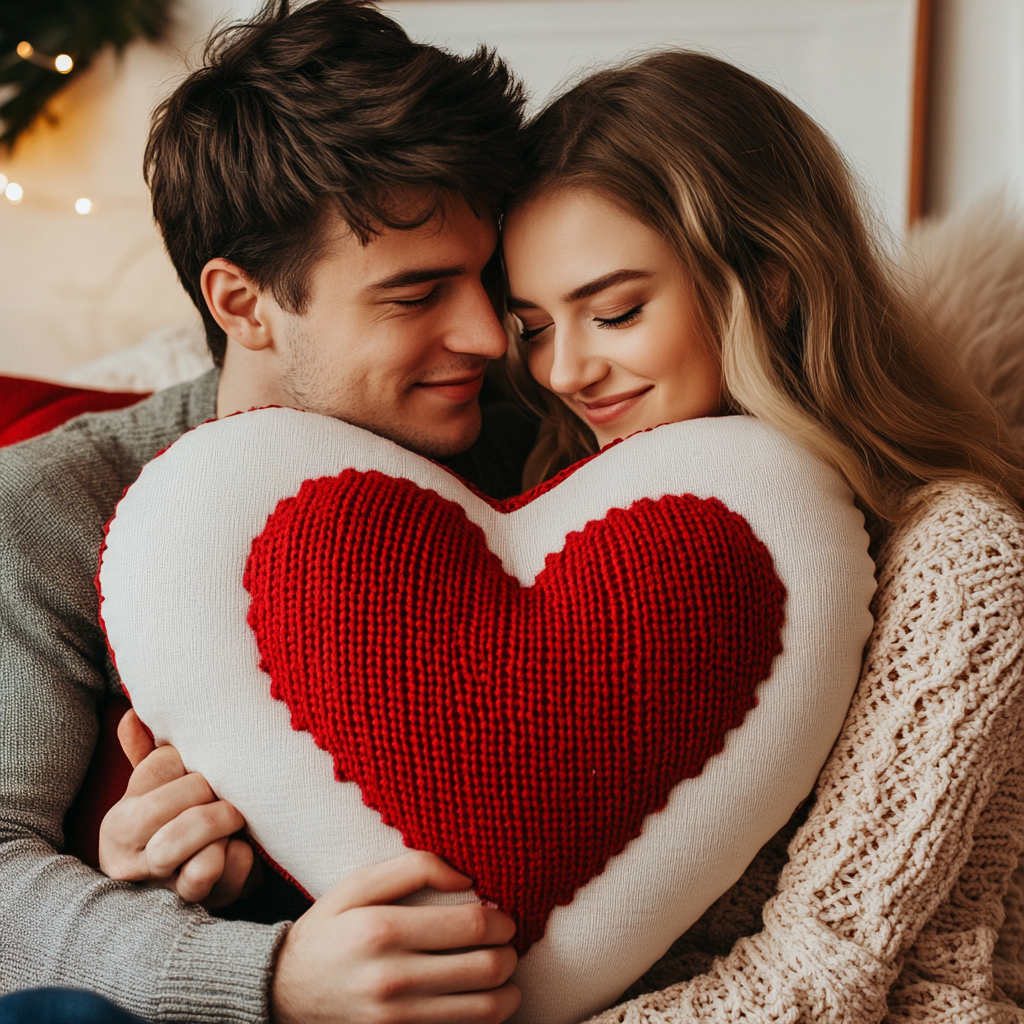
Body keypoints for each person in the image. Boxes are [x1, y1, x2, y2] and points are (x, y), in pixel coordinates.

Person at [106, 47, 1024, 1023]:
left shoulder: (960, 558)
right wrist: (214, 869)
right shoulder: (555, 496)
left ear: (774, 282)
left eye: (616, 310)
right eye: (535, 322)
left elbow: (822, 976)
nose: (562, 369)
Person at [0, 2, 536, 1023]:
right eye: (416, 294)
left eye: (487, 278)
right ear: (243, 302)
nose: (487, 336)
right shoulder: (50, 511)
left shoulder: (543, 469)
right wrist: (270, 978)